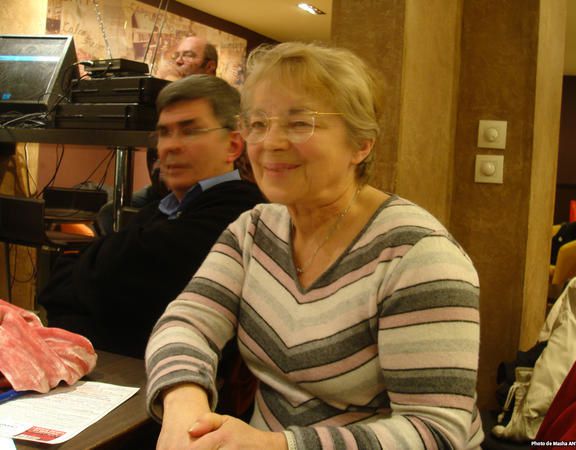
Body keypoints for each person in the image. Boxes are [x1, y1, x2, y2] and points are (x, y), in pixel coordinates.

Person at [145, 42, 483, 449]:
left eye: (299, 123)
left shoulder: (418, 256)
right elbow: (186, 322)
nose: (270, 142)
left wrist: (279, 446)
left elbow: (437, 432)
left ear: (361, 145)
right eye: (258, 123)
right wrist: (185, 405)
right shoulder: (254, 229)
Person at [38, 74, 264, 361]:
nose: (169, 147)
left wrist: (88, 269)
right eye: (164, 133)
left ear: (233, 146)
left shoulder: (238, 214)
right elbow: (55, 283)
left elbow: (124, 300)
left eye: (190, 131)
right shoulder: (158, 210)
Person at [97, 36, 220, 234]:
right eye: (177, 56)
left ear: (210, 67)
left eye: (188, 56)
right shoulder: (170, 100)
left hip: (198, 190)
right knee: (109, 213)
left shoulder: (218, 105)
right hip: (160, 188)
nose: (179, 61)